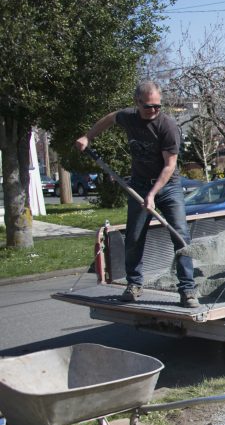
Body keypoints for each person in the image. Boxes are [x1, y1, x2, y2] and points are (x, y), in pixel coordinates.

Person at [74, 81, 198, 308]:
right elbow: (110, 117)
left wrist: (152, 195)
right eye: (149, 106)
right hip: (139, 184)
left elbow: (169, 166)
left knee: (180, 235)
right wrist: (88, 137)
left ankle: (187, 289)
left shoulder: (167, 126)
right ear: (137, 102)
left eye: (157, 106)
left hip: (168, 185)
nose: (153, 110)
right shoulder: (129, 117)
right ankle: (134, 284)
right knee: (134, 236)